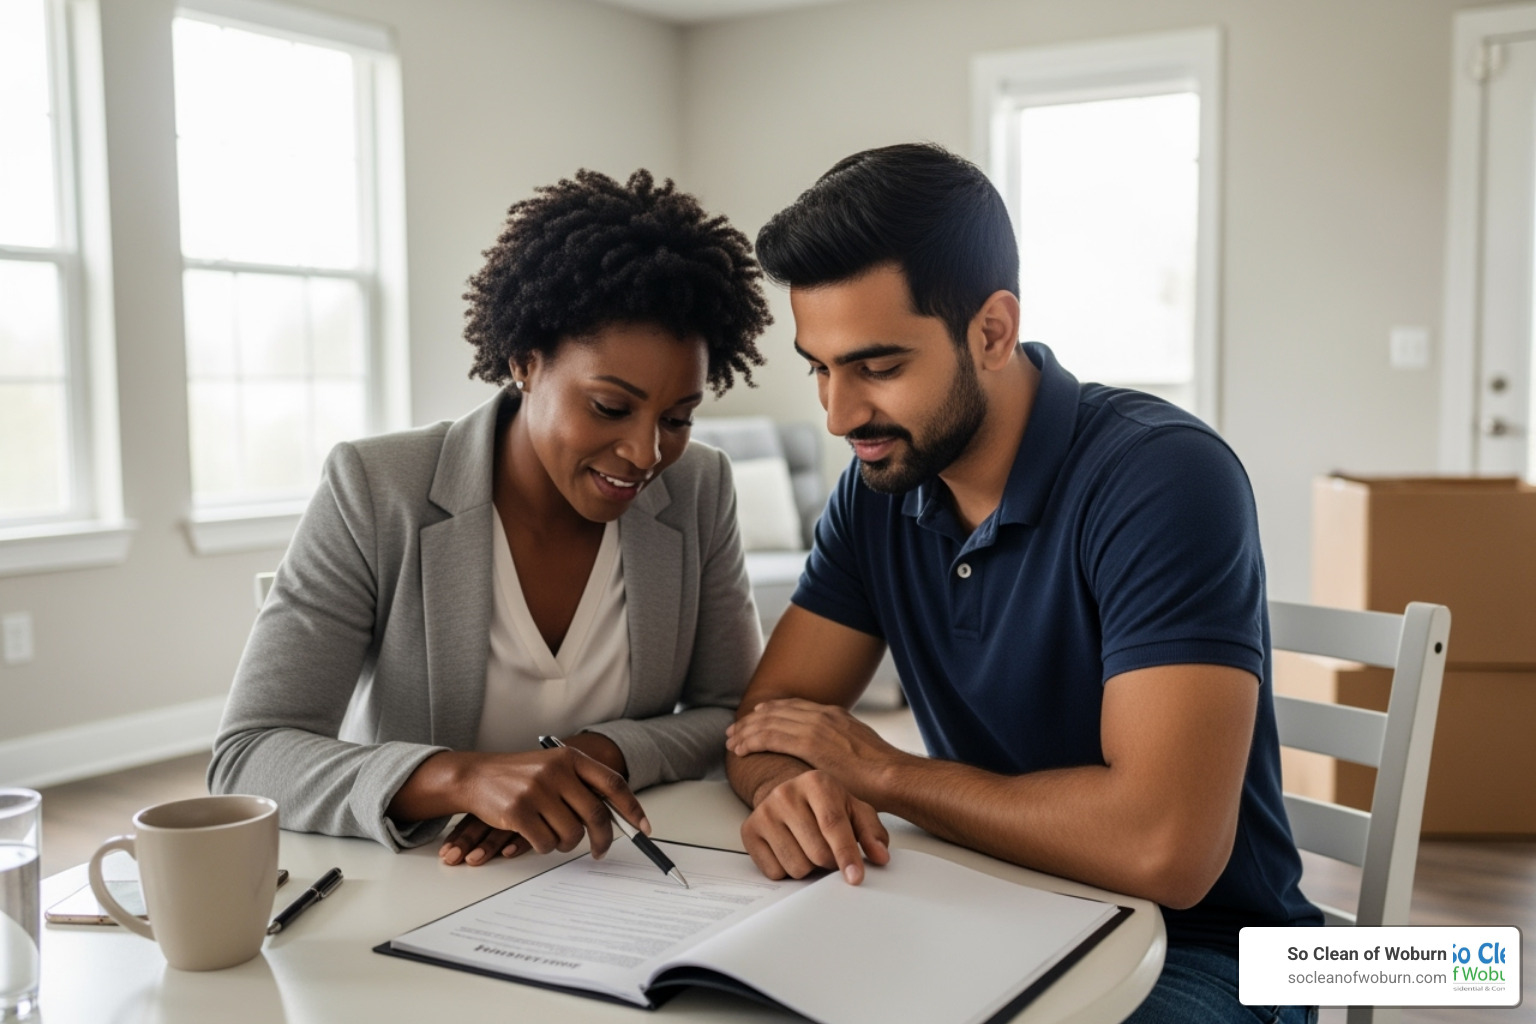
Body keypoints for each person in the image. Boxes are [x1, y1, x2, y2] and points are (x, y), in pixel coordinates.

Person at [723, 143, 1320, 1023]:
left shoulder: (1164, 477)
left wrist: (885, 775)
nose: (841, 415)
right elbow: (767, 722)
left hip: (1221, 952)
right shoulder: (879, 481)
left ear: (992, 332)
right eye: (820, 367)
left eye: (878, 367)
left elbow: (1167, 850)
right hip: (989, 902)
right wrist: (789, 793)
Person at [211, 168, 772, 869]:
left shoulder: (698, 488)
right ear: (525, 362)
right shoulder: (377, 488)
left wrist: (598, 756)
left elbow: (735, 716)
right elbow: (250, 753)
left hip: (613, 875)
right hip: (423, 880)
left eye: (679, 418)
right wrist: (461, 778)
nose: (645, 452)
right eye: (609, 407)